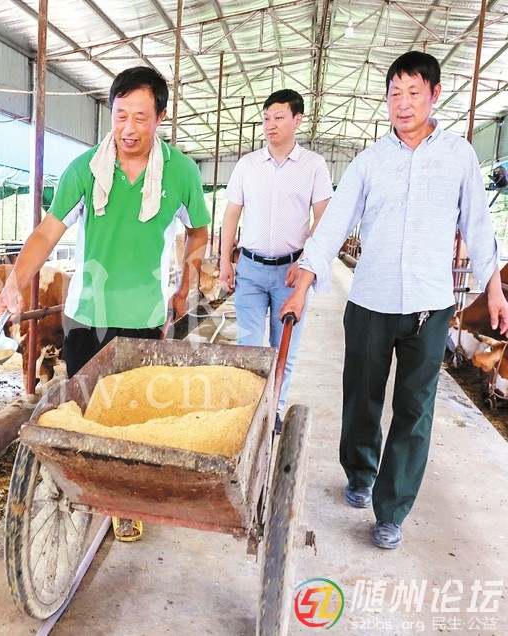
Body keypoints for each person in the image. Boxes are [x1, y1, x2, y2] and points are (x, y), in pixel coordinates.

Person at [280, 51, 508, 550]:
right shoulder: (369, 161)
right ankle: (360, 473)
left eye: (413, 93)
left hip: (430, 306)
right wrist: (302, 285)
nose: (403, 104)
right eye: (395, 94)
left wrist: (493, 288)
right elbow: (334, 224)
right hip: (370, 301)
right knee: (361, 396)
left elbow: (478, 225)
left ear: (434, 95)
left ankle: (393, 509)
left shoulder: (458, 156)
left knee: (415, 408)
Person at [0, 66, 210, 541]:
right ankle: (92, 489)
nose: (128, 128)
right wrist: (15, 281)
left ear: (160, 117)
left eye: (140, 117)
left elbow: (199, 231)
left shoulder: (181, 172)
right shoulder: (85, 169)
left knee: (135, 415)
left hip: (144, 318)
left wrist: (184, 286)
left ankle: (125, 501)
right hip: (86, 317)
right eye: (120, 115)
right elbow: (47, 232)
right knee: (87, 409)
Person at [218, 89, 333, 433]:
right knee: (248, 345)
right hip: (250, 269)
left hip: (291, 273)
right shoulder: (248, 165)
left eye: (279, 117)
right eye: (266, 118)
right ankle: (250, 409)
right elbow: (231, 215)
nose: (270, 124)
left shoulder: (313, 166)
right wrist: (225, 261)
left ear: (297, 120)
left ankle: (275, 411)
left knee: (284, 346)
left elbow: (324, 217)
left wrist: (307, 260)